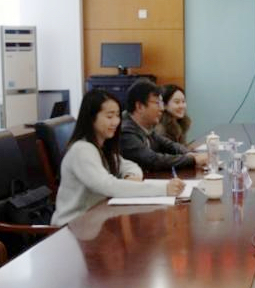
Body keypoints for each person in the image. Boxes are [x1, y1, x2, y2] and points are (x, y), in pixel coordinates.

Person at [52, 89, 185, 226]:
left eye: (117, 116)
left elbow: (129, 165)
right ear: (91, 118)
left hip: (94, 221)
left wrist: (131, 176)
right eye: (109, 116)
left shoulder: (102, 146)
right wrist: (163, 189)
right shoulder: (82, 149)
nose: (116, 122)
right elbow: (108, 185)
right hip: (71, 227)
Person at [120, 79, 207, 172]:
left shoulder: (146, 127)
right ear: (140, 106)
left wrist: (191, 154)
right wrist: (192, 160)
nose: (162, 108)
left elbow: (169, 145)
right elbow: (152, 160)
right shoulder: (126, 131)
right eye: (157, 103)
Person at [155, 84, 195, 148]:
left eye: (183, 101)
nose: (182, 106)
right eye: (177, 102)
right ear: (164, 105)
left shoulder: (180, 123)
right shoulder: (160, 129)